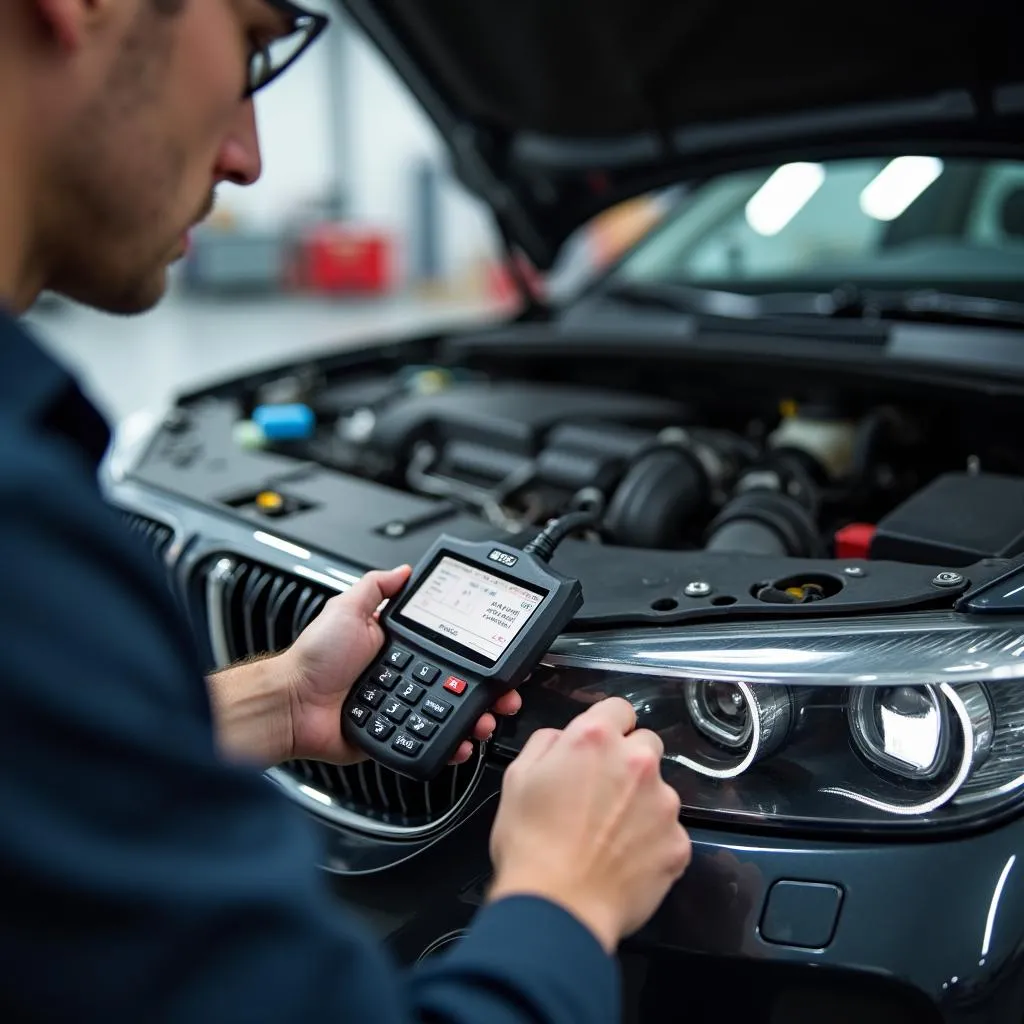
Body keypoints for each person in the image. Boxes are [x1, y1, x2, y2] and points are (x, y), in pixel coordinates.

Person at [0, 1, 693, 1021]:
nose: (247, 156)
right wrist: (562, 892)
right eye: (253, 44)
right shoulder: (25, 537)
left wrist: (275, 701)